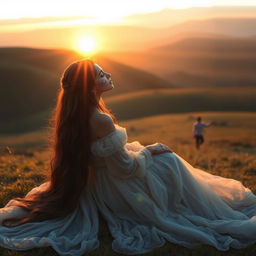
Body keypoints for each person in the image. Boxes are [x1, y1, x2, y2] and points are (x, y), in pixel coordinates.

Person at [1, 59, 256, 256]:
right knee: (170, 161)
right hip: (115, 186)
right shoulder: (99, 119)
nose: (108, 75)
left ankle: (187, 199)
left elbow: (108, 156)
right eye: (101, 74)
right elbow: (125, 169)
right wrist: (150, 150)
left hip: (96, 180)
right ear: (89, 86)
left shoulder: (76, 113)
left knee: (163, 156)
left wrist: (144, 151)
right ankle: (190, 206)